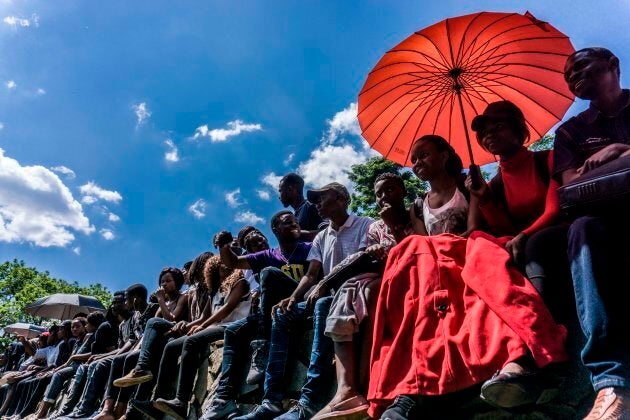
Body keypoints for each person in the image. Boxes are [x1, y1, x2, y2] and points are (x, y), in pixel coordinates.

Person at [367, 135, 567, 419]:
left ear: (445, 156)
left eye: (424, 155)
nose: (417, 163)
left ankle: (513, 359)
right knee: (413, 260)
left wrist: (477, 194)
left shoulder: (467, 185)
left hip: (465, 249)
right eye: (414, 160)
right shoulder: (418, 205)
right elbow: (422, 245)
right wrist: (396, 229)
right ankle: (412, 386)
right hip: (433, 265)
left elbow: (473, 228)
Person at [466, 100, 574, 407]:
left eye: (497, 126)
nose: (489, 135)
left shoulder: (548, 160)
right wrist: (484, 199)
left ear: (518, 129)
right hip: (523, 242)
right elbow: (504, 226)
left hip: (557, 236)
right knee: (484, 249)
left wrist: (524, 236)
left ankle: (541, 345)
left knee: (536, 245)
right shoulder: (495, 182)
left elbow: (556, 209)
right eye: (483, 133)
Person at [234, 182, 373, 420]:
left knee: (322, 303)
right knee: (282, 312)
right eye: (315, 200)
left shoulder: (365, 224)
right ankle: (271, 401)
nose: (316, 204)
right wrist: (293, 297)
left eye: (322, 198)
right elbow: (311, 274)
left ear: (341, 199)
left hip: (353, 295)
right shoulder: (322, 237)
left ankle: (310, 401)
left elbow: (363, 261)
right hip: (327, 294)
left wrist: (326, 283)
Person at [553, 47, 630, 420]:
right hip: (606, 221)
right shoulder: (570, 132)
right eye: (568, 76)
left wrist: (621, 151)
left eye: (580, 66)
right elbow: (570, 189)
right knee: (581, 230)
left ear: (613, 64)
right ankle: (612, 384)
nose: (573, 77)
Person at [313, 172, 413, 420]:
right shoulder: (375, 227)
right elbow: (368, 254)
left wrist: (393, 226)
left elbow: (416, 248)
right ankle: (345, 390)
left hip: (400, 273)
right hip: (362, 280)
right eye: (379, 193)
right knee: (347, 296)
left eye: (389, 190)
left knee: (363, 294)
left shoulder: (408, 215)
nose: (383, 197)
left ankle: (359, 385)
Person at [202, 213, 312, 419]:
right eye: (252, 242)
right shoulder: (266, 256)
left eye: (259, 237)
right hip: (269, 312)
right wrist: (223, 245)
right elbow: (232, 261)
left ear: (268, 235)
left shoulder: (307, 248)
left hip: (300, 301)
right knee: (234, 331)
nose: (258, 241)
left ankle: (261, 346)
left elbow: (314, 272)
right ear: (276, 230)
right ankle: (224, 399)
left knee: (269, 273)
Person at [130, 255, 250, 420]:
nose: (221, 269)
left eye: (224, 266)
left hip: (232, 325)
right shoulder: (215, 290)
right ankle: (159, 400)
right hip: (215, 326)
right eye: (216, 268)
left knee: (191, 341)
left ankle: (181, 401)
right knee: (170, 347)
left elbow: (228, 308)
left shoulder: (240, 283)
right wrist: (190, 325)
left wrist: (201, 327)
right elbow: (204, 316)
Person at [35, 312, 105, 418]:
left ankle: (44, 411)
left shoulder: (90, 336)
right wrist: (52, 370)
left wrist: (72, 358)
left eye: (78, 326)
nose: (74, 329)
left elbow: (93, 353)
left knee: (58, 375)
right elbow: (68, 362)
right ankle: (41, 409)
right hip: (73, 365)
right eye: (72, 327)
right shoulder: (76, 341)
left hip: (80, 365)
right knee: (53, 374)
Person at [278, 173, 327, 241]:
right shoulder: (294, 216)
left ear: (290, 189)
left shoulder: (311, 205)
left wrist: (295, 233)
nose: (279, 196)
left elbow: (328, 232)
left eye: (280, 191)